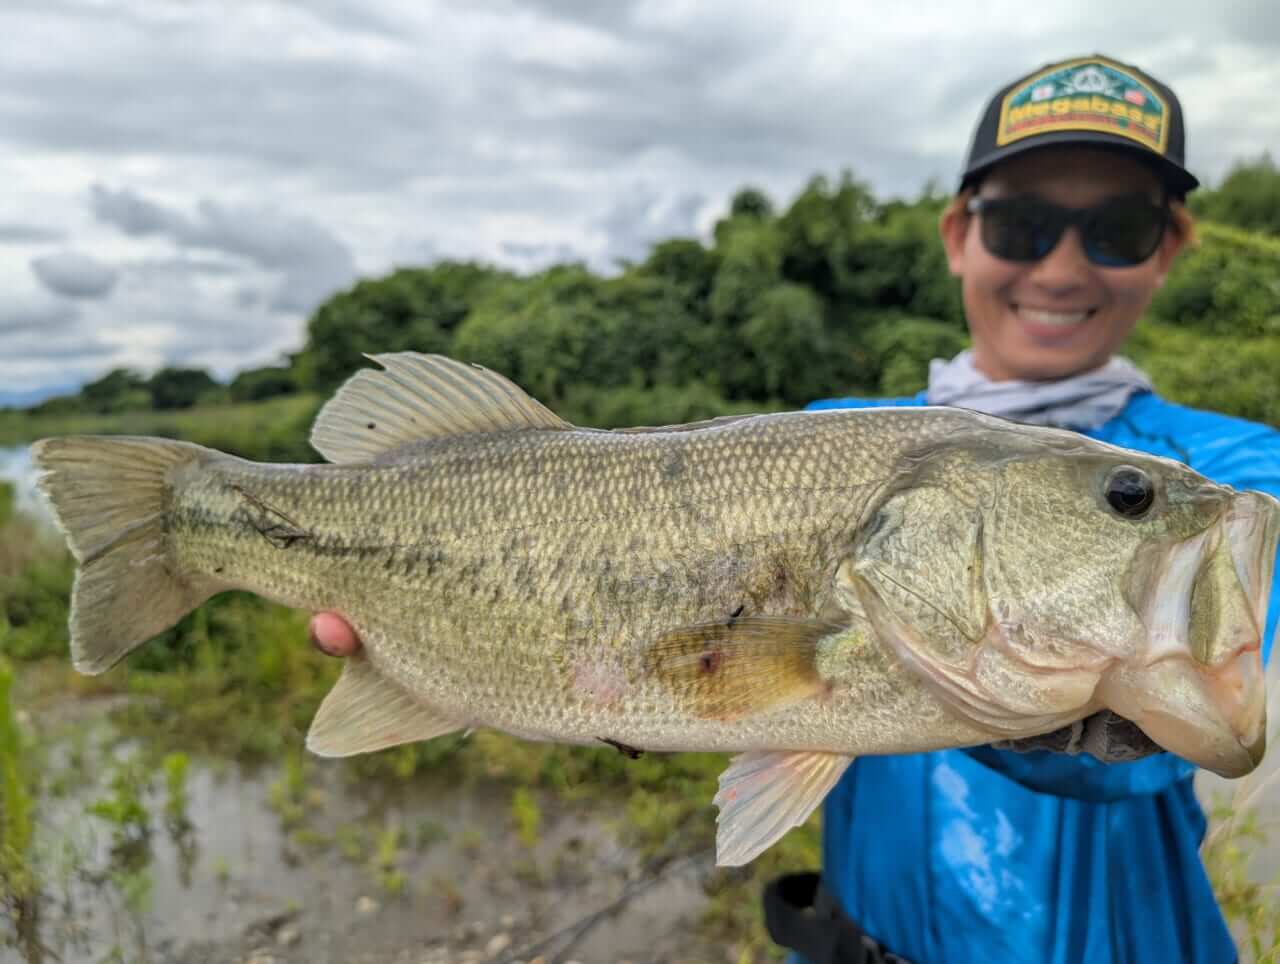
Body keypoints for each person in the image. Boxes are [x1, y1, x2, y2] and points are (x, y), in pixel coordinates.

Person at [310, 54, 1280, 964]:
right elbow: (732, 674)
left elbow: (1193, 729)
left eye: (1118, 229)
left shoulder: (1233, 477)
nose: (1061, 268)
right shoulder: (825, 433)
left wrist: (1085, 721)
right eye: (1021, 225)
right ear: (958, 234)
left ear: (1169, 249)